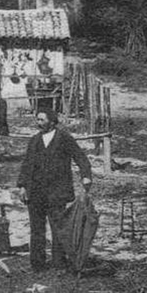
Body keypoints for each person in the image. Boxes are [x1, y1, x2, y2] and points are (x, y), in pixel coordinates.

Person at [17, 109, 92, 272]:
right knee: (37, 229)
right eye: (37, 119)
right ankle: (37, 264)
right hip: (35, 192)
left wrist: (86, 176)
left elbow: (80, 156)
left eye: (42, 120)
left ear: (52, 121)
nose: (38, 122)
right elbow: (27, 164)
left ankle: (59, 262)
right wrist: (22, 186)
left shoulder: (63, 138)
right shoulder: (34, 140)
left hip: (56, 192)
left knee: (57, 227)